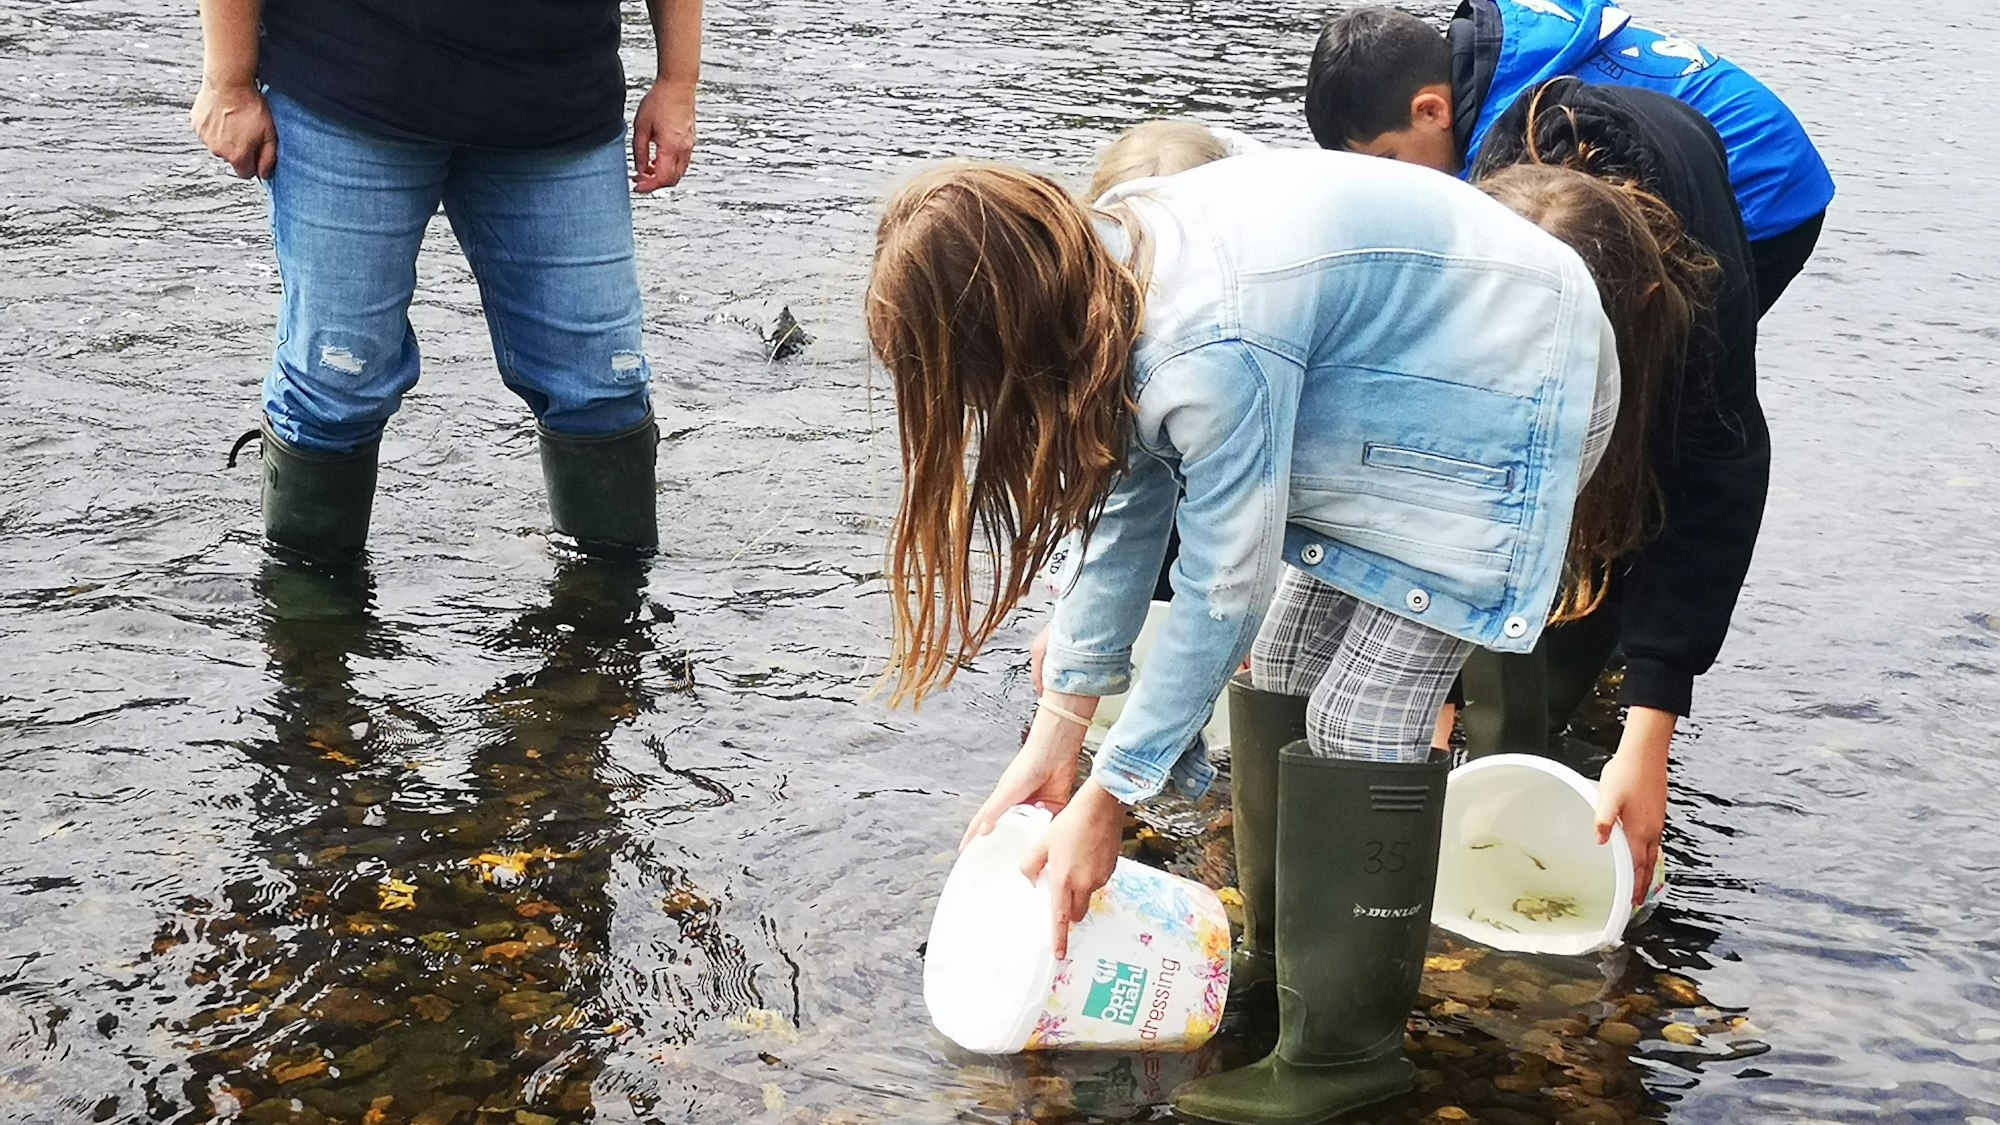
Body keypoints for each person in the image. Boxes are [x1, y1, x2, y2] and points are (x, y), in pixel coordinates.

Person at [867, 150, 1615, 1123]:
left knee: (1360, 713)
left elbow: (1223, 588)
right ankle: (1280, 958)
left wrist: (1113, 794)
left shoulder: (1205, 347)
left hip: (1514, 385)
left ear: (1004, 336)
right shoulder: (1100, 278)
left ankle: (1344, 1050)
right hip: (1406, 390)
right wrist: (1059, 736)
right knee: (1286, 660)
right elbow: (1122, 514)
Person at [192, 0, 703, 563]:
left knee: (603, 388)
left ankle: (610, 608)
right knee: (337, 383)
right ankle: (307, 609)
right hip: (345, 83)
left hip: (559, 98)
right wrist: (227, 80)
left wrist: (678, 80)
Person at [1468, 77, 1753, 903]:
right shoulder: (1479, 245)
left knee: (1648, 467)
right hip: (1557, 222)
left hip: (1737, 203)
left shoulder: (1699, 311)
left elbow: (1717, 494)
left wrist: (1650, 727)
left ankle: (1602, 635)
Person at [1305, 1, 1831, 314]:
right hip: (1759, 143)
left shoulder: (1514, 133)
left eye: (1389, 161)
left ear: (1430, 110)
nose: (1391, 184)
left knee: (1663, 374)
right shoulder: (1504, 48)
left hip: (1763, 191)